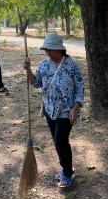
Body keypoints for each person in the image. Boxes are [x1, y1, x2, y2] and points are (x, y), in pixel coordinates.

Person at [23, 33, 84, 188]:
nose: (48, 52)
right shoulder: (44, 64)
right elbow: (35, 83)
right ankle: (65, 168)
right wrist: (29, 70)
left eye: (50, 49)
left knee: (60, 141)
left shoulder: (72, 66)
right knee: (57, 142)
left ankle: (69, 173)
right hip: (50, 109)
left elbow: (80, 89)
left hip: (66, 111)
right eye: (46, 50)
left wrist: (75, 108)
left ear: (59, 49)